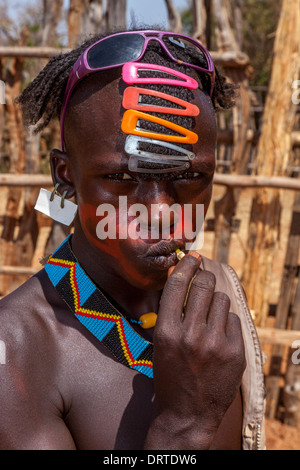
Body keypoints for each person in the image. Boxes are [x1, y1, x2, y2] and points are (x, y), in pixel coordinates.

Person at [0, 29, 266, 450]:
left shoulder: (218, 295)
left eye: (189, 176)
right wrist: (183, 426)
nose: (159, 213)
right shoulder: (14, 351)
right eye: (121, 177)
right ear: (65, 176)